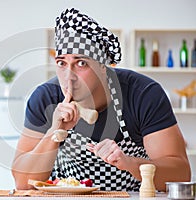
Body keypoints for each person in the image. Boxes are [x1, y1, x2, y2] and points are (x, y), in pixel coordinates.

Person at [11, 8, 191, 191]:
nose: (69, 76)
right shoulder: (45, 98)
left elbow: (181, 174)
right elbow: (22, 183)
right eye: (62, 63)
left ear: (103, 66)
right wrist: (53, 132)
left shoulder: (143, 95)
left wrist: (128, 163)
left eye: (81, 63)